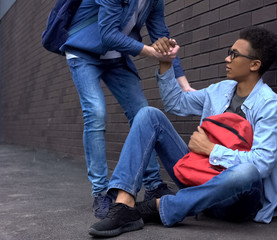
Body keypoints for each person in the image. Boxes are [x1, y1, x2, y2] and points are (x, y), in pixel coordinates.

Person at [88, 26, 277, 238]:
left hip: (235, 201)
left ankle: (159, 207)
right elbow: (176, 103)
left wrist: (211, 149)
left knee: (247, 172)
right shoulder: (221, 90)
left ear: (255, 64)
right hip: (199, 176)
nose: (227, 59)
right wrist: (166, 63)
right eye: (229, 52)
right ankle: (124, 205)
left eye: (234, 54)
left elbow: (263, 164)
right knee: (148, 115)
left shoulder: (270, 105)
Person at [60, 0, 194, 219]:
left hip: (116, 58)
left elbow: (161, 34)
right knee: (96, 113)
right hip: (83, 52)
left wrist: (184, 84)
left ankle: (153, 186)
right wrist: (151, 52)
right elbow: (108, 34)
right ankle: (101, 193)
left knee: (142, 111)